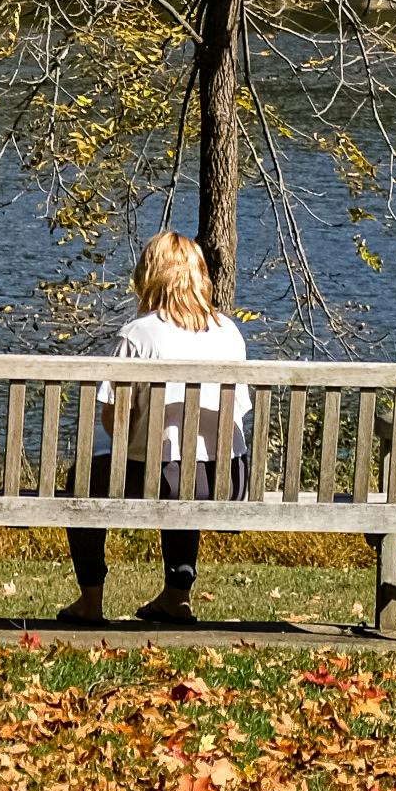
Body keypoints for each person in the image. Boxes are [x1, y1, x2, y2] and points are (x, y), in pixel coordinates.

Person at [56, 229, 248, 628]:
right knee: (185, 469)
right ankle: (177, 597)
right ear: (200, 276)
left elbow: (116, 422)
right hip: (227, 479)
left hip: (164, 478)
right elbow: (240, 412)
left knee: (84, 479)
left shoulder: (138, 334)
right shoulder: (229, 332)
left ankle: (90, 600)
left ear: (150, 274)